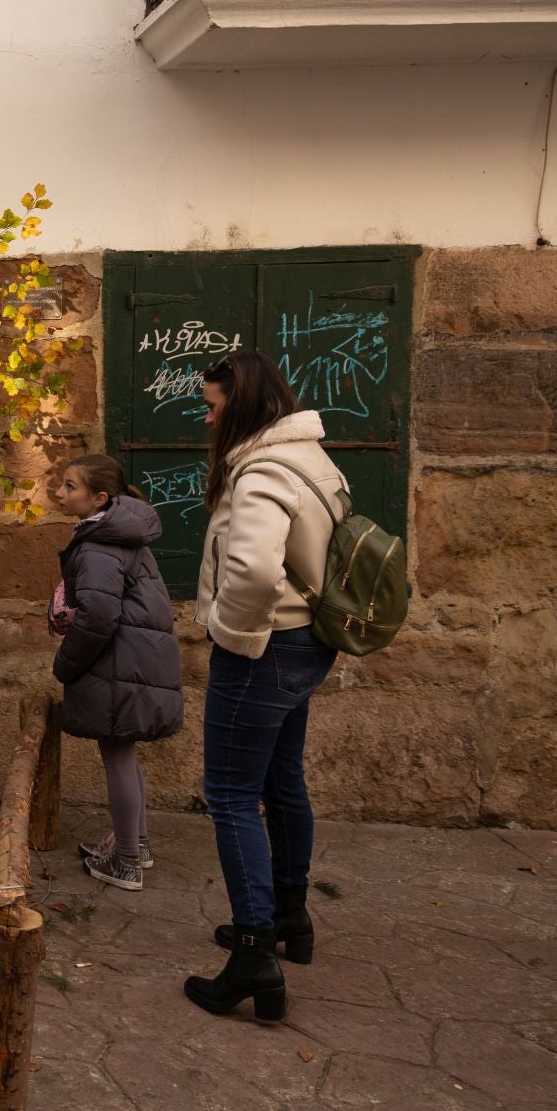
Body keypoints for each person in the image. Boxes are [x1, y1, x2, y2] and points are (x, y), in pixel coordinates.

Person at [185, 351, 344, 1023]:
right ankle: (290, 917)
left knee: (229, 796)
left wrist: (230, 634)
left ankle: (254, 950)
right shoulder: (314, 460)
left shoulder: (260, 474)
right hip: (310, 642)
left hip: (265, 648)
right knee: (283, 784)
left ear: (241, 404)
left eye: (213, 402)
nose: (207, 413)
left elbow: (251, 573)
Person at [48, 454, 184, 893]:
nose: (59, 493)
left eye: (70, 487)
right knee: (124, 752)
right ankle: (136, 844)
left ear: (99, 498)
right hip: (132, 661)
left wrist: (65, 664)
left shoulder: (100, 545)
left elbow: (99, 616)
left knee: (118, 755)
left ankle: (126, 863)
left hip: (119, 664)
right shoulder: (116, 533)